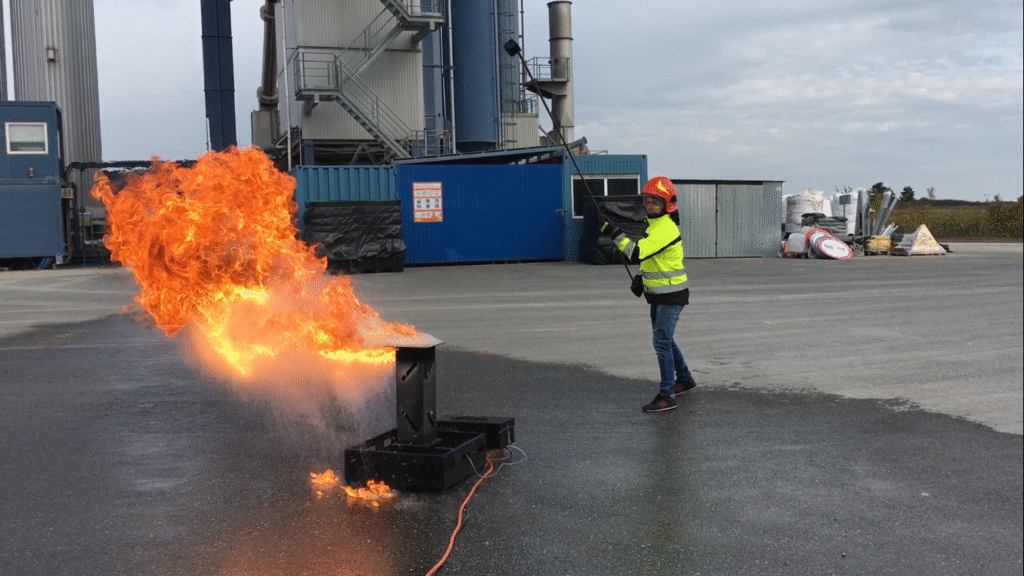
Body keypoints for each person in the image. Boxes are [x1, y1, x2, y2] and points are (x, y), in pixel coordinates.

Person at [600, 176, 695, 412]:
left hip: (671, 295)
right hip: (659, 294)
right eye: (647, 200)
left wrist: (615, 233)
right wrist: (642, 278)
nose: (650, 205)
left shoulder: (665, 229)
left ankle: (667, 394)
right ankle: (684, 379)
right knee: (666, 339)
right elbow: (654, 260)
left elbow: (636, 253)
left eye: (656, 201)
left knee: (661, 341)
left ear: (667, 204)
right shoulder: (653, 226)